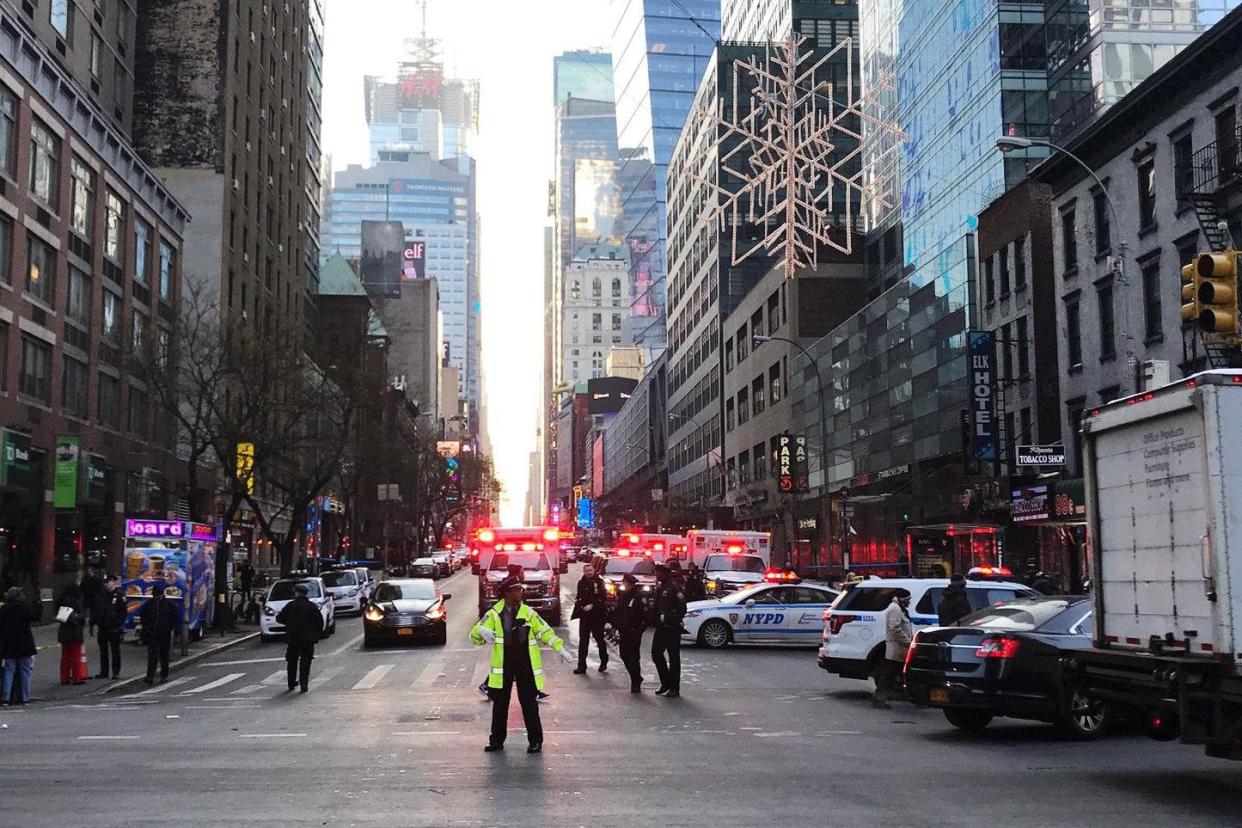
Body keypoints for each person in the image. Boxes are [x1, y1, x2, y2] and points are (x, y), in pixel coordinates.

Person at [470, 576, 573, 754]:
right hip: (504, 663)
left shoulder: (528, 612)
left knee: (529, 704)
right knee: (500, 704)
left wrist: (559, 648)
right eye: (517, 589)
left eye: (520, 589)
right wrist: (481, 630)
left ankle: (535, 741)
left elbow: (544, 631)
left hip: (525, 661)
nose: (520, 592)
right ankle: (496, 741)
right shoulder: (495, 613)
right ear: (507, 593)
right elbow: (474, 636)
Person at [275, 583, 325, 692]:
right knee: (305, 661)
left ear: (296, 593)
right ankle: (304, 683)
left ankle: (291, 683)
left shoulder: (290, 605)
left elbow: (280, 619)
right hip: (307, 639)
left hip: (293, 638)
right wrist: (316, 634)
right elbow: (319, 621)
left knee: (292, 661)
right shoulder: (312, 606)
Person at [650, 562, 687, 698]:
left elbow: (682, 609)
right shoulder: (661, 587)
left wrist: (668, 618)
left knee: (673, 658)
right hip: (661, 627)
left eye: (658, 573)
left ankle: (674, 687)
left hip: (672, 628)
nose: (656, 575)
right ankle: (665, 682)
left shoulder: (674, 587)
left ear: (665, 573)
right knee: (656, 654)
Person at [872, 588, 912, 709]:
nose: (909, 602)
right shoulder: (896, 609)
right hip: (897, 649)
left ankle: (881, 696)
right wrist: (907, 641)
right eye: (908, 600)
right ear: (903, 599)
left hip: (898, 649)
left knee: (890, 674)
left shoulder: (898, 608)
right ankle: (879, 697)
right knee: (889, 675)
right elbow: (895, 628)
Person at [609, 572, 648, 693]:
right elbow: (619, 613)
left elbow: (645, 616)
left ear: (629, 584)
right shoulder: (623, 595)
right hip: (624, 631)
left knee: (634, 657)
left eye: (624, 582)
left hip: (634, 632)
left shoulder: (639, 597)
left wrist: (639, 631)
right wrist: (614, 625)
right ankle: (636, 677)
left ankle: (635, 682)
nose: (622, 584)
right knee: (624, 655)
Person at [0, 587, 36, 705]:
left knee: (9, 671)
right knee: (25, 671)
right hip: (24, 643)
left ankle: (5, 697)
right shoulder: (23, 608)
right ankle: (25, 697)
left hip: (8, 644)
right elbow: (35, 617)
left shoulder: (3, 610)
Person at [139, 583, 181, 685]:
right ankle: (150, 676)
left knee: (163, 655)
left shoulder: (168, 605)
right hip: (153, 633)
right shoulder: (149, 605)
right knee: (153, 655)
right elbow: (143, 618)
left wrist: (171, 628)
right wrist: (146, 630)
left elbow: (175, 618)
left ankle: (163, 675)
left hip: (164, 633)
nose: (157, 597)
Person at [571, 562, 608, 674]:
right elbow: (579, 597)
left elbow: (602, 597)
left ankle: (604, 661)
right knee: (583, 641)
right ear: (584, 572)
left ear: (594, 571)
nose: (588, 572)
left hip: (597, 616)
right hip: (585, 616)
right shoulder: (581, 583)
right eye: (586, 571)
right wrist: (581, 606)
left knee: (599, 640)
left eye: (590, 570)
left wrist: (592, 605)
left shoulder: (599, 582)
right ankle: (581, 665)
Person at [56, 584, 88, 685]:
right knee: (75, 656)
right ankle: (77, 677)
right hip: (74, 632)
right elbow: (82, 617)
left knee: (65, 657)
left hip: (63, 632)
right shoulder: (77, 602)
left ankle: (64, 678)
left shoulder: (61, 602)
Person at [95, 577, 127, 679]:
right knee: (103, 651)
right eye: (105, 583)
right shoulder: (102, 595)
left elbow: (123, 612)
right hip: (103, 627)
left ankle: (115, 672)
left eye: (108, 582)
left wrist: (118, 625)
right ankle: (104, 672)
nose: (106, 585)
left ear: (113, 582)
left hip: (114, 628)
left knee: (115, 651)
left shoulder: (119, 596)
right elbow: (98, 610)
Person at [79, 565, 104, 634]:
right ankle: (84, 621)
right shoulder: (85, 579)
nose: (89, 573)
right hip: (87, 597)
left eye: (90, 571)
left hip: (94, 598)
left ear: (93, 572)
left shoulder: (97, 579)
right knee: (83, 609)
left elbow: (100, 589)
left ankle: (91, 624)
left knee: (93, 612)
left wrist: (97, 594)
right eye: (88, 571)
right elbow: (81, 587)